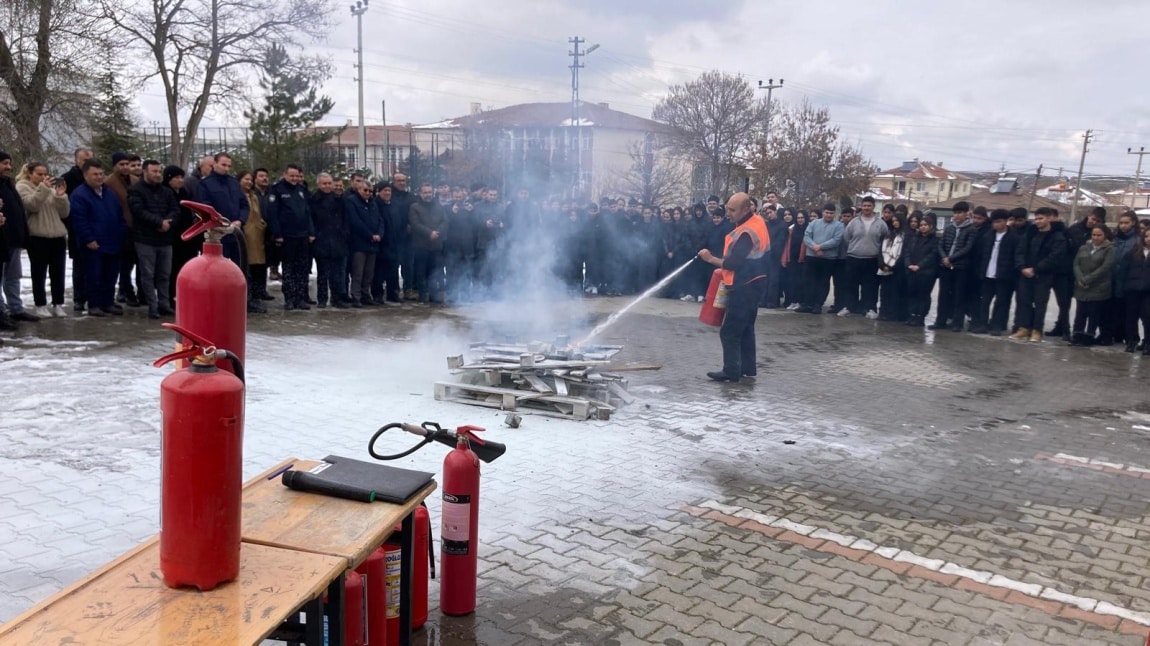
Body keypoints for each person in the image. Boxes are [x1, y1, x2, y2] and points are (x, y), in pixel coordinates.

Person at [697, 193, 769, 383]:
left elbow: (733, 264)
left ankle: (731, 371)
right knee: (745, 328)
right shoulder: (757, 221)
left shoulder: (747, 232)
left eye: (732, 210)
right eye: (727, 208)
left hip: (744, 285)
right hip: (755, 281)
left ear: (747, 209)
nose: (727, 213)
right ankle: (747, 369)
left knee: (729, 331)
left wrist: (710, 259)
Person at [70, 160, 126, 317]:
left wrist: (121, 233)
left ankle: (107, 302)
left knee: (111, 275)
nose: (99, 177)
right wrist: (88, 239)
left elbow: (119, 215)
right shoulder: (79, 195)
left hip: (113, 241)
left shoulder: (109, 193)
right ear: (85, 175)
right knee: (94, 276)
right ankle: (94, 305)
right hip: (93, 244)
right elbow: (79, 220)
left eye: (101, 174)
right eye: (95, 174)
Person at [16, 162, 70, 318]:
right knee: (39, 273)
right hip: (37, 236)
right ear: (29, 174)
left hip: (57, 235)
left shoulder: (50, 188)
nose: (43, 177)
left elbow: (64, 213)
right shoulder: (22, 187)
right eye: (39, 174)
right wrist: (44, 189)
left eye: (45, 174)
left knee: (58, 272)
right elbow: (31, 205)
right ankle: (40, 304)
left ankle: (58, 304)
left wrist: (61, 196)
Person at [127, 160, 178, 319]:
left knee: (164, 274)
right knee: (148, 275)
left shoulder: (166, 192)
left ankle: (164, 304)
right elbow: (138, 211)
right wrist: (158, 222)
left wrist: (168, 222)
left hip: (165, 239)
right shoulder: (135, 190)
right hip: (145, 239)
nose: (157, 174)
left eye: (159, 171)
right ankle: (152, 305)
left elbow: (175, 209)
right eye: (154, 171)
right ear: (145, 172)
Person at [1011, 208, 1067, 342]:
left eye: (1040, 218)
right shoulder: (1030, 233)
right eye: (1036, 219)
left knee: (1040, 303)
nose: (1037, 221)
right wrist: (1022, 267)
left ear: (1048, 219)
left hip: (1043, 275)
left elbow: (1054, 257)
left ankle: (1037, 330)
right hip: (1025, 274)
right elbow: (1020, 251)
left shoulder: (1057, 236)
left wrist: (1036, 269)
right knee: (1024, 301)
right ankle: (1024, 328)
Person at [265, 165, 315, 311]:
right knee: (288, 269)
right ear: (285, 175)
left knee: (302, 268)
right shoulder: (277, 190)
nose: (294, 179)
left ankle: (300, 298)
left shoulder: (301, 190)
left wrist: (311, 232)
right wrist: (278, 234)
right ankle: (290, 299)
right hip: (287, 237)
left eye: (296, 176)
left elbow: (307, 213)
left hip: (302, 235)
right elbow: (273, 214)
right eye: (291, 176)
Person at [0, 151, 40, 323]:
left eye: (9, 163)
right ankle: (1, 312)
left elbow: (18, 210)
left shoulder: (8, 184)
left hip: (13, 239)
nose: (8, 167)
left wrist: (23, 233)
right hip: (1, 239)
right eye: (4, 163)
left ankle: (15, 309)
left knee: (13, 277)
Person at [972, 209, 1020, 336]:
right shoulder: (988, 236)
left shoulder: (1014, 237)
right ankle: (983, 324)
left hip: (1003, 276)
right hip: (987, 274)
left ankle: (996, 325)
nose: (996, 225)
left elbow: (1016, 257)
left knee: (1001, 302)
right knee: (984, 301)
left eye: (999, 222)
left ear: (1005, 221)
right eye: (994, 222)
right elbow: (980, 255)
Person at [931, 202, 976, 332]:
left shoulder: (971, 229)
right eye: (955, 213)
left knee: (958, 295)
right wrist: (944, 257)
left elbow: (968, 247)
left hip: (960, 267)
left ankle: (957, 323)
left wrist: (951, 259)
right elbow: (941, 244)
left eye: (960, 213)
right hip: (945, 266)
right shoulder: (949, 227)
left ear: (967, 213)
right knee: (943, 295)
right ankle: (941, 321)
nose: (957, 215)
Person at [841, 198, 887, 318]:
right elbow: (846, 238)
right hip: (853, 258)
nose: (866, 208)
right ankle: (849, 307)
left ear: (874, 207)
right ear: (861, 207)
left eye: (869, 206)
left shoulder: (880, 224)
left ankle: (870, 308)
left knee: (870, 286)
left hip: (871, 259)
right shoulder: (854, 222)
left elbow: (884, 239)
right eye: (864, 205)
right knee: (851, 285)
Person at [1068, 225, 1114, 346]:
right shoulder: (1084, 247)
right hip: (1081, 286)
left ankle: (1089, 336)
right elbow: (1076, 264)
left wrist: (1088, 279)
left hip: (1098, 286)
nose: (1096, 237)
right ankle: (1077, 334)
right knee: (1080, 312)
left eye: (1099, 235)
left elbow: (1105, 267)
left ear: (1105, 236)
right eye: (1094, 235)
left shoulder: (1109, 249)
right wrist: (1080, 278)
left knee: (1094, 313)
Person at [164, 166, 201, 309]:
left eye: (181, 177)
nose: (180, 180)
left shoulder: (184, 193)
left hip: (187, 237)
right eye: (177, 178)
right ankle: (170, 296)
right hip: (172, 238)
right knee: (172, 270)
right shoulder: (166, 193)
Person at [310, 173, 349, 308]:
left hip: (338, 240)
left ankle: (336, 298)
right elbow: (311, 219)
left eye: (329, 183)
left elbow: (346, 219)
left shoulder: (339, 199)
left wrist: (344, 233)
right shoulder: (314, 199)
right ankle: (322, 298)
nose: (327, 186)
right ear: (319, 185)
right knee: (322, 273)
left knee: (337, 273)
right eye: (324, 184)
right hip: (322, 240)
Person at [346, 180, 384, 307]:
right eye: (365, 190)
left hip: (373, 244)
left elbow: (380, 220)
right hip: (359, 243)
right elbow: (355, 221)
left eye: (370, 191)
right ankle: (356, 296)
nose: (368, 193)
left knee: (369, 273)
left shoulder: (373, 203)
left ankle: (365, 294)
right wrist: (370, 235)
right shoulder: (352, 201)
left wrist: (379, 234)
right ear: (359, 190)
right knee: (358, 272)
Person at [799, 203, 843, 314]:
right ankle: (808, 304)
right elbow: (807, 236)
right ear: (823, 212)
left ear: (834, 214)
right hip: (812, 256)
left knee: (823, 282)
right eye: (827, 212)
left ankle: (818, 304)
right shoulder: (814, 223)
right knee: (809, 281)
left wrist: (820, 247)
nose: (828, 215)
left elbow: (836, 240)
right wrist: (814, 247)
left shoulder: (838, 226)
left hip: (828, 258)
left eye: (831, 213)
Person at [237, 171, 271, 305]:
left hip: (257, 234)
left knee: (259, 265)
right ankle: (249, 296)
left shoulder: (253, 196)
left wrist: (262, 224)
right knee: (247, 265)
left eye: (250, 180)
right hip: (246, 233)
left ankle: (257, 293)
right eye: (246, 179)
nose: (249, 182)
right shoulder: (238, 195)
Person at [1109, 212, 1140, 349]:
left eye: (1126, 223)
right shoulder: (1115, 239)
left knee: (1130, 311)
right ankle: (1116, 334)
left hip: (1129, 280)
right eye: (1121, 223)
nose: (1123, 226)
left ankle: (1131, 338)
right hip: (1114, 279)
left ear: (1133, 222)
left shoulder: (1138, 240)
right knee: (1114, 309)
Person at [903, 214, 940, 327]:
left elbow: (932, 255)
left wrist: (919, 266)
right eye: (921, 225)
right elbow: (907, 251)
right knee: (912, 293)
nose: (923, 227)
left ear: (931, 226)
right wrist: (909, 264)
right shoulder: (915, 237)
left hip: (926, 272)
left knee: (923, 295)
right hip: (912, 270)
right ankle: (912, 315)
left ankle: (921, 316)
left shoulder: (935, 239)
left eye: (925, 225)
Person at [1123, 227, 1150, 355]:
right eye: (1146, 236)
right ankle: (1131, 341)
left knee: (1147, 316)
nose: (1148, 239)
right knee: (1131, 317)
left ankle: (1147, 343)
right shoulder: (1135, 251)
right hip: (1132, 289)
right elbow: (1124, 268)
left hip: (1148, 291)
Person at [877, 211, 907, 321]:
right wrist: (882, 264)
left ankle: (892, 314)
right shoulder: (888, 235)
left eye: (897, 221)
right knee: (884, 292)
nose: (895, 223)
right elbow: (881, 250)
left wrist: (893, 267)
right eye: (893, 221)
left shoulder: (905, 236)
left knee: (895, 293)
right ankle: (883, 312)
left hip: (897, 270)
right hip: (884, 268)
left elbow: (904, 253)